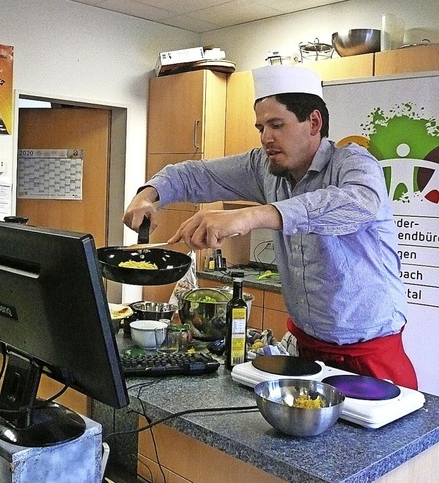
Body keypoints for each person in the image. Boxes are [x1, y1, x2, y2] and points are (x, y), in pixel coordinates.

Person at [123, 64, 418, 389]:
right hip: (306, 349)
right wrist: (148, 196)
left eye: (276, 125)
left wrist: (251, 216)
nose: (265, 138)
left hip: (371, 356)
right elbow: (194, 174)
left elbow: (360, 203)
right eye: (261, 127)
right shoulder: (264, 168)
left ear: (314, 123)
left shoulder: (353, 163)